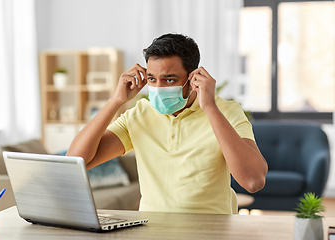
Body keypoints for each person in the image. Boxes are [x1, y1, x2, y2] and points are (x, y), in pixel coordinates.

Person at [66, 33, 268, 214]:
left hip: (211, 231)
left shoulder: (225, 111)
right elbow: (76, 161)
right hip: (152, 230)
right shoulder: (138, 114)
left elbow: (253, 181)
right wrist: (115, 101)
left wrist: (210, 108)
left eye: (169, 80)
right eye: (152, 79)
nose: (158, 88)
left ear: (193, 78)